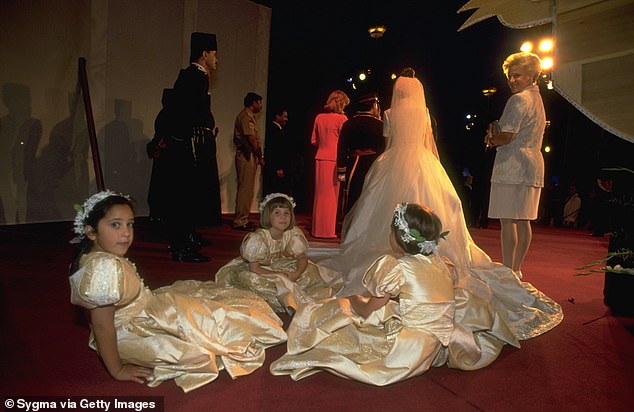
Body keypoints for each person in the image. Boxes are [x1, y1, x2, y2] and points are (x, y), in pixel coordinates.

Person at [313, 69, 562, 342]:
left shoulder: (388, 113)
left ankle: (398, 248)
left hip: (392, 161)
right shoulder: (424, 113)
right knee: (437, 204)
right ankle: (426, 248)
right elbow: (429, 144)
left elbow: (388, 143)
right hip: (423, 161)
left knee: (380, 207)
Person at [271, 203, 519, 385]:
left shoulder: (396, 268)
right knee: (394, 307)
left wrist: (356, 303)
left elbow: (370, 308)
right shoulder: (441, 263)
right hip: (443, 337)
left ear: (398, 237)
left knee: (345, 310)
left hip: (411, 346)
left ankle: (306, 327)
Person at [68, 191, 287, 392]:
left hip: (144, 310)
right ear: (91, 232)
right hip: (129, 332)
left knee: (207, 312)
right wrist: (116, 369)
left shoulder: (98, 257)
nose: (126, 233)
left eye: (130, 224)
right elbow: (101, 325)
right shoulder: (104, 268)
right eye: (115, 225)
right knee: (200, 352)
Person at [215, 193, 343, 314]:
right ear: (267, 216)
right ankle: (288, 300)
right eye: (277, 213)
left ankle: (291, 292)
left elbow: (302, 257)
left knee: (310, 270)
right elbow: (254, 268)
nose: (283, 217)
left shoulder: (292, 233)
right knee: (255, 281)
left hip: (279, 264)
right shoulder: (258, 238)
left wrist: (296, 273)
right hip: (261, 270)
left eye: (286, 213)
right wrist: (279, 275)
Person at [485, 52, 546, 279]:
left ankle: (508, 269)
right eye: (510, 76)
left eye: (517, 75)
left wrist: (491, 139)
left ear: (531, 76)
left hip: (512, 165)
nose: (512, 80)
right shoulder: (537, 100)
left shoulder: (519, 99)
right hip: (532, 164)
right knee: (523, 219)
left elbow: (508, 135)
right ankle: (517, 268)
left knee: (508, 219)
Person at [163, 32, 222, 262]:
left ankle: (187, 236)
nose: (218, 60)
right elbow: (184, 115)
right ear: (205, 54)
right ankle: (181, 245)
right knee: (184, 196)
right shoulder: (193, 77)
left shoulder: (198, 77)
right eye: (215, 54)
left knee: (191, 195)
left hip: (192, 145)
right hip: (188, 147)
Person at [336, 92, 385, 214]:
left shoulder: (349, 123)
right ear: (374, 106)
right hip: (375, 166)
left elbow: (342, 147)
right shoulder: (381, 125)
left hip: (354, 165)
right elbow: (384, 149)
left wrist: (341, 170)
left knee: (354, 196)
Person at [311, 90, 349, 238]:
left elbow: (313, 141)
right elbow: (344, 142)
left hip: (320, 158)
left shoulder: (319, 117)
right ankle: (327, 231)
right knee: (332, 196)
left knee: (320, 195)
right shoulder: (342, 119)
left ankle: (317, 230)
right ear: (340, 103)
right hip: (334, 160)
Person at [233, 92, 265, 231]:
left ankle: (243, 218)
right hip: (246, 155)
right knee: (245, 189)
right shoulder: (246, 117)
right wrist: (260, 156)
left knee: (248, 189)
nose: (261, 105)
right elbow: (251, 139)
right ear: (253, 103)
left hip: (249, 155)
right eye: (259, 102)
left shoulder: (250, 117)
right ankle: (240, 220)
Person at [262, 108, 291, 195]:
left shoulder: (279, 130)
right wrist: (277, 168)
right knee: (274, 193)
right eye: (284, 116)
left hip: (277, 169)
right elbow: (274, 151)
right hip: (275, 169)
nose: (286, 119)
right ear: (277, 116)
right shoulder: (273, 130)